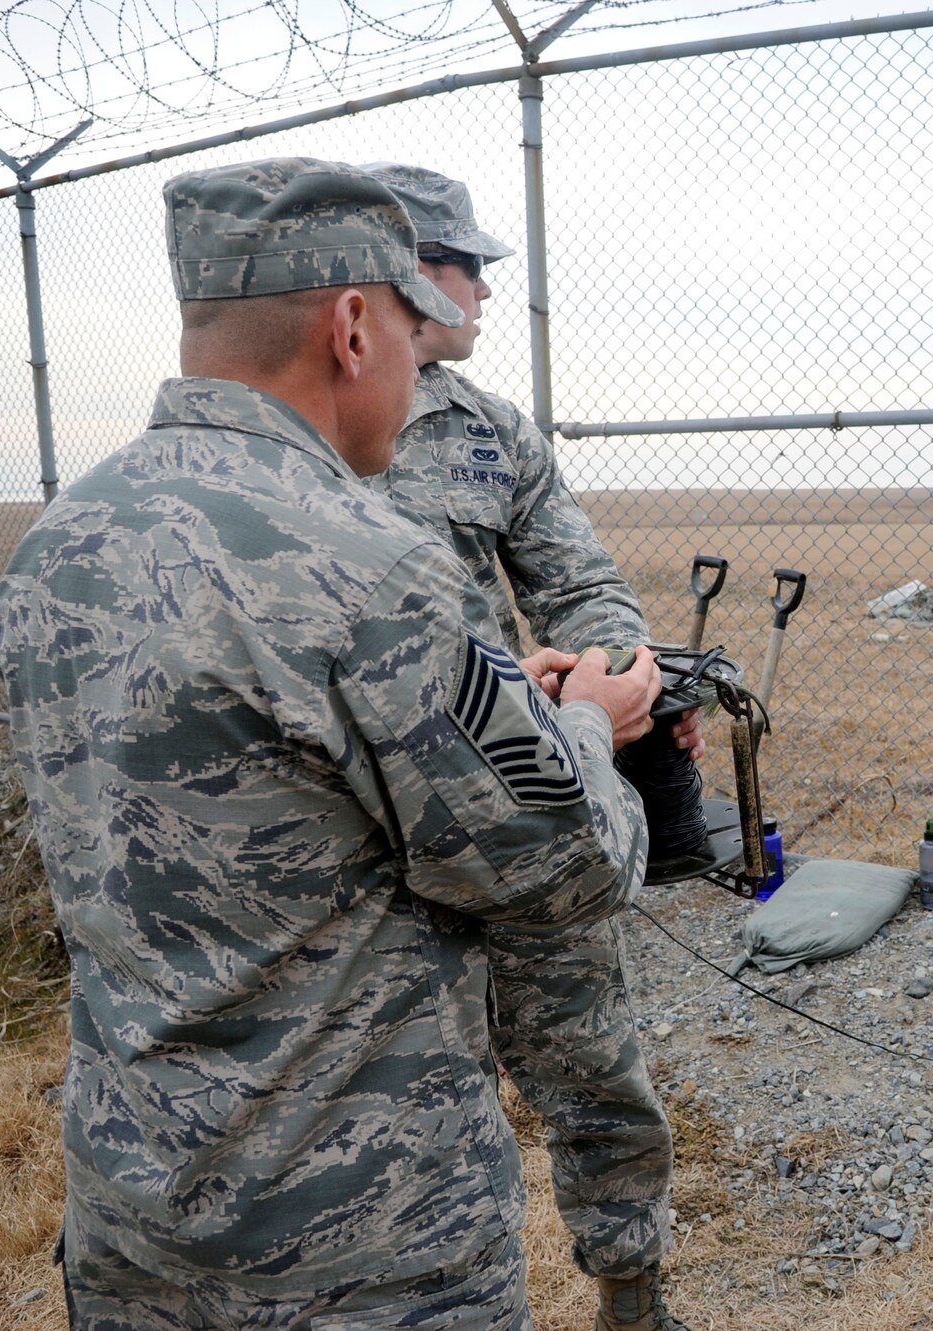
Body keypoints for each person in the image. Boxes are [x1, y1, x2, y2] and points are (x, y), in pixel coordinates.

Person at [0, 156, 661, 1330]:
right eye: (414, 312)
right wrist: (588, 723)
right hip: (364, 1247)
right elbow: (567, 863)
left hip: (137, 1218)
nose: (431, 337)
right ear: (354, 323)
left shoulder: (59, 542)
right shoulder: (371, 564)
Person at [360, 161, 693, 1331]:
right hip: (358, 835)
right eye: (467, 266)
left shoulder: (489, 430)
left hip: (511, 794)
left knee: (594, 1064)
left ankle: (632, 1295)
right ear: (399, 273)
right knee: (395, 1098)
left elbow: (582, 582)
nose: (487, 290)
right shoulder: (302, 434)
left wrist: (595, 671)